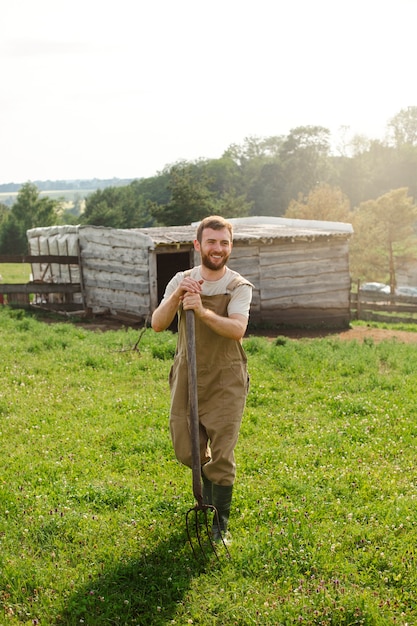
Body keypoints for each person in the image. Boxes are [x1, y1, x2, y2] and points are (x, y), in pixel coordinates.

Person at [151, 215, 253, 541]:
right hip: (187, 373)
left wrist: (203, 310)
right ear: (198, 245)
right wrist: (178, 296)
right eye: (211, 241)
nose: (217, 248)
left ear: (230, 247)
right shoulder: (182, 280)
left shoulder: (237, 286)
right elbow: (157, 323)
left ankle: (219, 525)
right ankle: (208, 493)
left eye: (224, 242)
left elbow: (237, 329)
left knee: (221, 454)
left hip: (226, 376)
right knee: (188, 451)